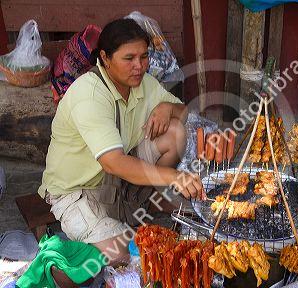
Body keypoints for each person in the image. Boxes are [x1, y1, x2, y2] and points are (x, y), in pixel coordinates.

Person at [37, 18, 204, 286]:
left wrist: (166, 109)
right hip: (76, 192)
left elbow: (184, 113)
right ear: (105, 58)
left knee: (175, 132)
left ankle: (138, 208)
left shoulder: (143, 82)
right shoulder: (89, 94)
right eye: (129, 58)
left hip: (115, 184)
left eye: (144, 56)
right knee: (122, 254)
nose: (139, 66)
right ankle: (55, 269)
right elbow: (114, 162)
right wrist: (174, 177)